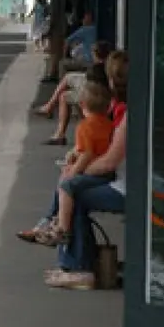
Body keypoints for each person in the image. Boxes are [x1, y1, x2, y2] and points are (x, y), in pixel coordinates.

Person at [33, 81, 114, 247]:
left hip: (93, 172)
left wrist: (74, 171)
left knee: (66, 185)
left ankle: (62, 228)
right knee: (66, 178)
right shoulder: (108, 124)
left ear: (82, 105)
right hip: (108, 172)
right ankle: (53, 218)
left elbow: (87, 154)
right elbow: (98, 148)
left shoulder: (84, 127)